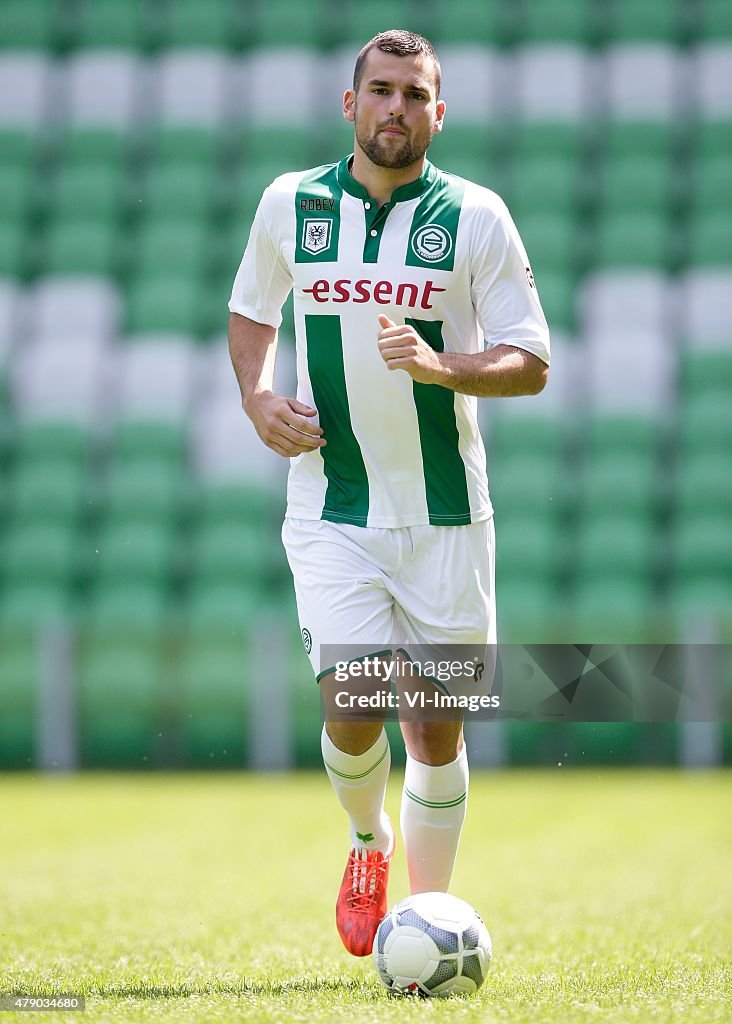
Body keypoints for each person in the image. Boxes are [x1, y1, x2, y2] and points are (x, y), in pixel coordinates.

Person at [228, 29, 550, 957]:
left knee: (438, 729)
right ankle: (368, 842)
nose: (396, 109)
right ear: (350, 104)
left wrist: (443, 365)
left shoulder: (478, 215)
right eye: (381, 91)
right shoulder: (290, 205)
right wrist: (256, 396)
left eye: (415, 94)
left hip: (448, 515)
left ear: (438, 113)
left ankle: (430, 921)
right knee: (354, 700)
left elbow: (530, 360)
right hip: (331, 505)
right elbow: (253, 309)